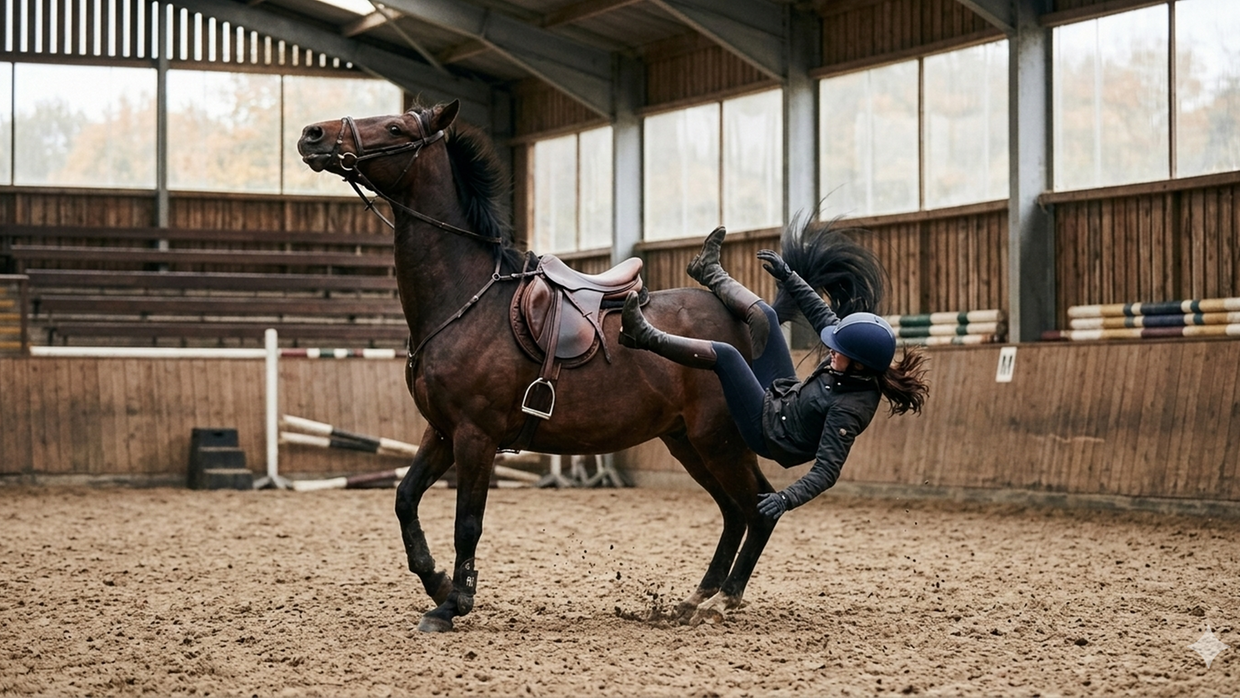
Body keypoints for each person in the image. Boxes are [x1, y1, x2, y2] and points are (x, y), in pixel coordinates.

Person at [619, 223, 930, 521]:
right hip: (783, 393)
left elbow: (826, 471)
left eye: (840, 352)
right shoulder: (856, 362)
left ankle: (644, 336)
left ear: (860, 364)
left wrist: (785, 499)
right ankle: (709, 271)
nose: (832, 351)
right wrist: (789, 276)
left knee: (726, 356)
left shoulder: (850, 409)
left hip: (768, 433)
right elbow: (819, 311)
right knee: (764, 315)